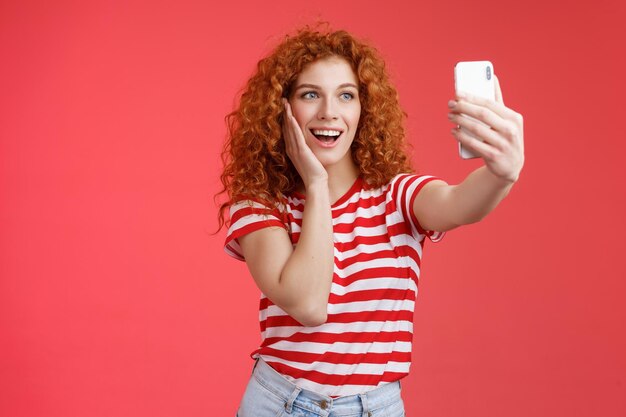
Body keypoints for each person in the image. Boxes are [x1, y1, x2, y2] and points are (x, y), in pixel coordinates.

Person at [217, 24, 524, 417]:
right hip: (278, 403)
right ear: (282, 108)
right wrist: (315, 183)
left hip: (374, 408)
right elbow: (309, 305)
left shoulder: (397, 197)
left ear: (364, 109)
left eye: (346, 96)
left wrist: (502, 174)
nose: (329, 112)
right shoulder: (261, 205)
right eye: (310, 95)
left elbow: (460, 202)